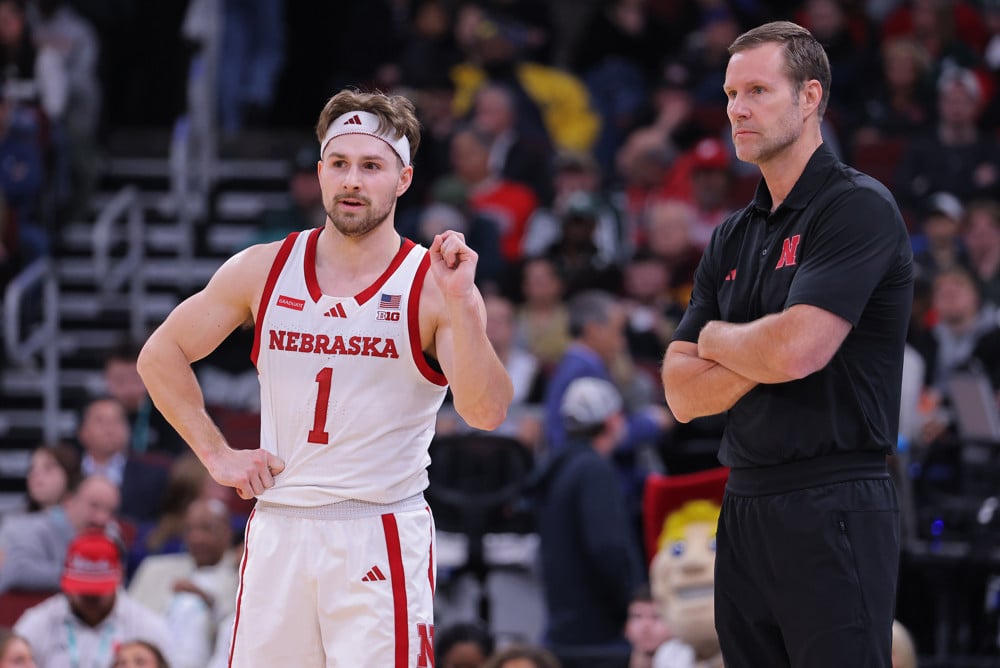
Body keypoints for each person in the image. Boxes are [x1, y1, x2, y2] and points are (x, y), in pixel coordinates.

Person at [136, 88, 513, 665]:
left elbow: (486, 412)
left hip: (377, 528)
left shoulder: (436, 284)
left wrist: (464, 307)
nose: (352, 181)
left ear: (403, 179)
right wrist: (216, 455)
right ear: (319, 172)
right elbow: (159, 356)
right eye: (339, 164)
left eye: (371, 166)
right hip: (278, 526)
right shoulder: (263, 267)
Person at [660, 21, 913, 668]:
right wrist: (761, 347)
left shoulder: (857, 207)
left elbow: (798, 351)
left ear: (809, 98)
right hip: (743, 500)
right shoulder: (732, 235)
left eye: (756, 91)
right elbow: (682, 393)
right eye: (728, 93)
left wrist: (717, 339)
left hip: (836, 497)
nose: (735, 109)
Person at [536, 376, 646, 668]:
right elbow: (607, 548)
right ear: (611, 420)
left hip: (565, 627)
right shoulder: (594, 472)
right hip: (599, 637)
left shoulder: (559, 467)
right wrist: (630, 607)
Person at [14, 530, 174, 667]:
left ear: (119, 579)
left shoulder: (147, 626)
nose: (90, 599)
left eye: (97, 593)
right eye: (83, 591)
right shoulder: (39, 621)